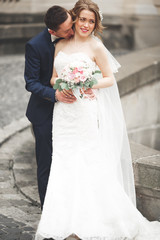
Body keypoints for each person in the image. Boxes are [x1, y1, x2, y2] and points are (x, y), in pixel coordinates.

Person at [35, 0, 160, 239]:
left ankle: (90, 223)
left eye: (91, 21)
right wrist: (63, 85)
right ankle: (62, 223)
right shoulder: (59, 45)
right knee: (63, 162)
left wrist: (86, 82)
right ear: (74, 18)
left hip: (84, 112)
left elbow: (109, 79)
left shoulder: (96, 47)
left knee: (87, 162)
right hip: (64, 112)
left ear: (95, 24)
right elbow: (51, 77)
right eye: (82, 19)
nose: (86, 25)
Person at [24, 6, 77, 208]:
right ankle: (48, 211)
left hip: (73, 112)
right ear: (53, 32)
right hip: (44, 113)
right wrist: (54, 94)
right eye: (66, 31)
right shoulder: (35, 45)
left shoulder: (77, 36)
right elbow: (31, 82)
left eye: (71, 26)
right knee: (46, 163)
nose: (71, 32)